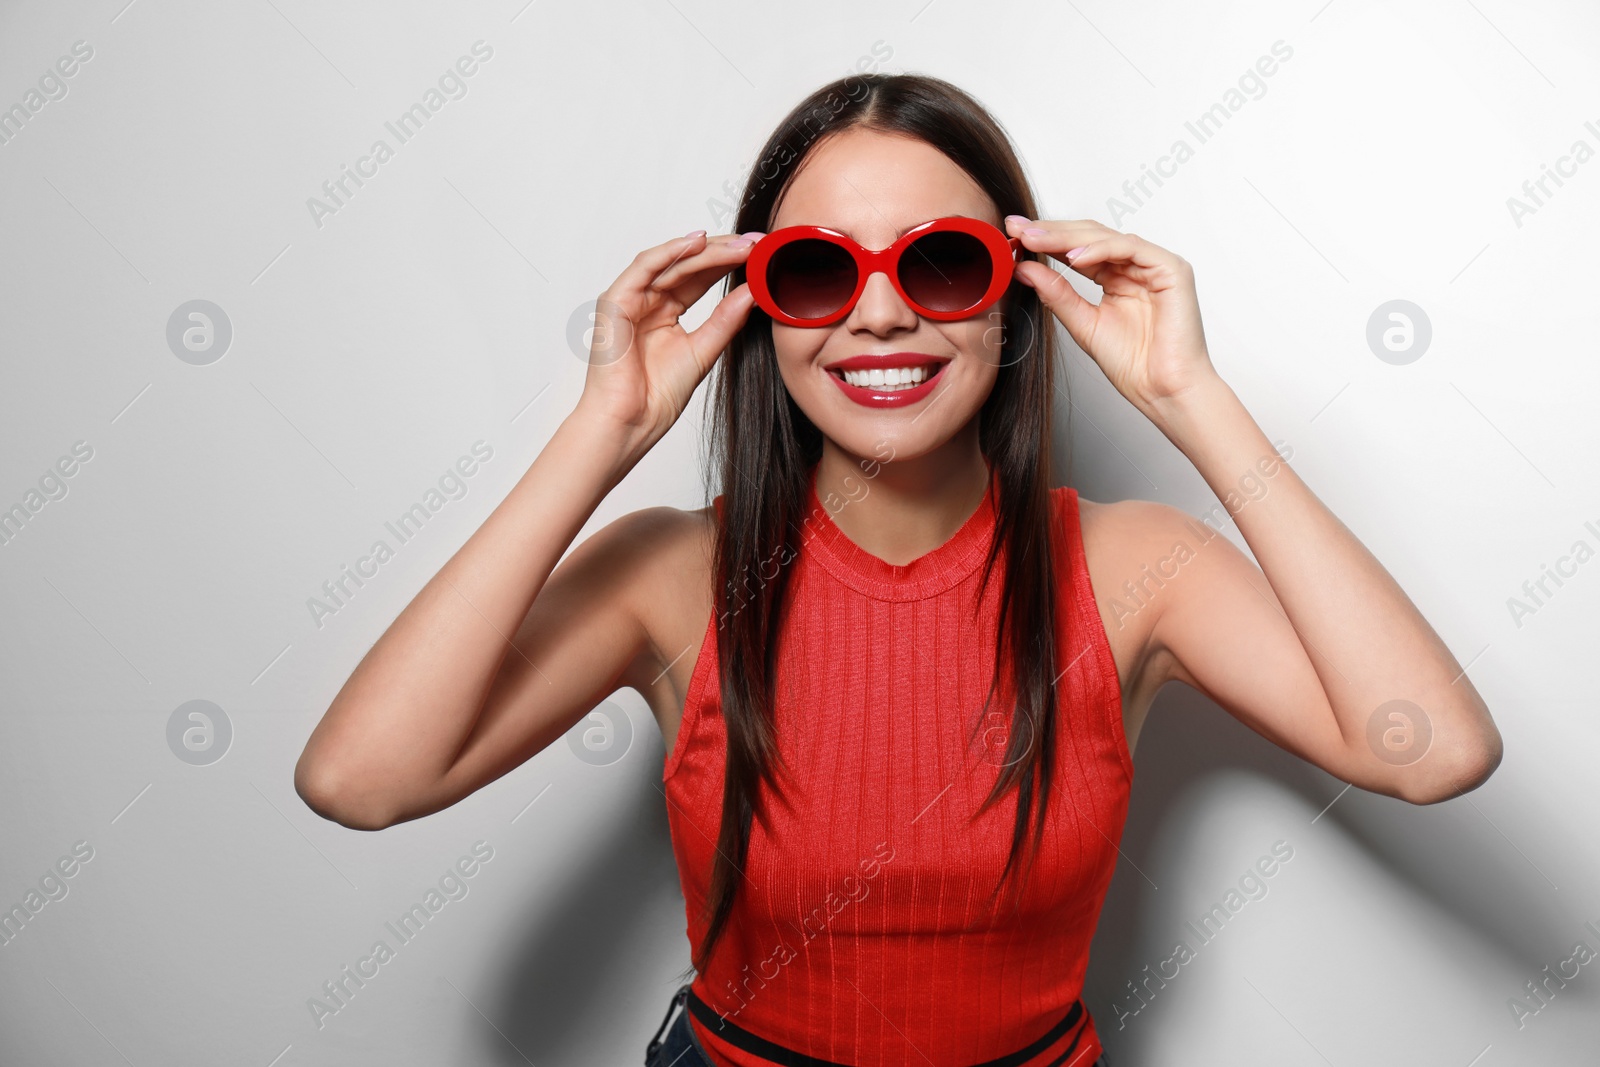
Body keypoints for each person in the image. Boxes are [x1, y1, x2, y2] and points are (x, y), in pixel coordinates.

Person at [293, 73, 1503, 1067]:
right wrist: (599, 432)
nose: (877, 316)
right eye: (818, 271)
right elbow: (361, 778)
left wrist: (1192, 397)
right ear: (761, 309)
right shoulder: (673, 573)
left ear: (1012, 304)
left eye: (937, 265)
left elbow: (1433, 751)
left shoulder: (1135, 567)